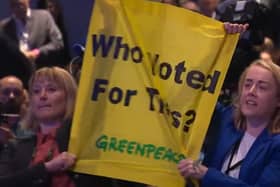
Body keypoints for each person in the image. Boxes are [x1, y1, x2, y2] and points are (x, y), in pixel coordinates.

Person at [178, 59, 280, 186]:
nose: (251, 91)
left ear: (278, 100)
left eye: (262, 87)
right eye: (247, 85)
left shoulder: (276, 146)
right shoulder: (226, 119)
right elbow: (197, 93)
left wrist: (206, 174)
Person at [0, 0, 64, 68]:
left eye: (20, 4)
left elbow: (58, 42)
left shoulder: (44, 16)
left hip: (40, 68)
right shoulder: (3, 26)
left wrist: (36, 53)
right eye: (13, 5)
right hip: (16, 71)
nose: (17, 8)